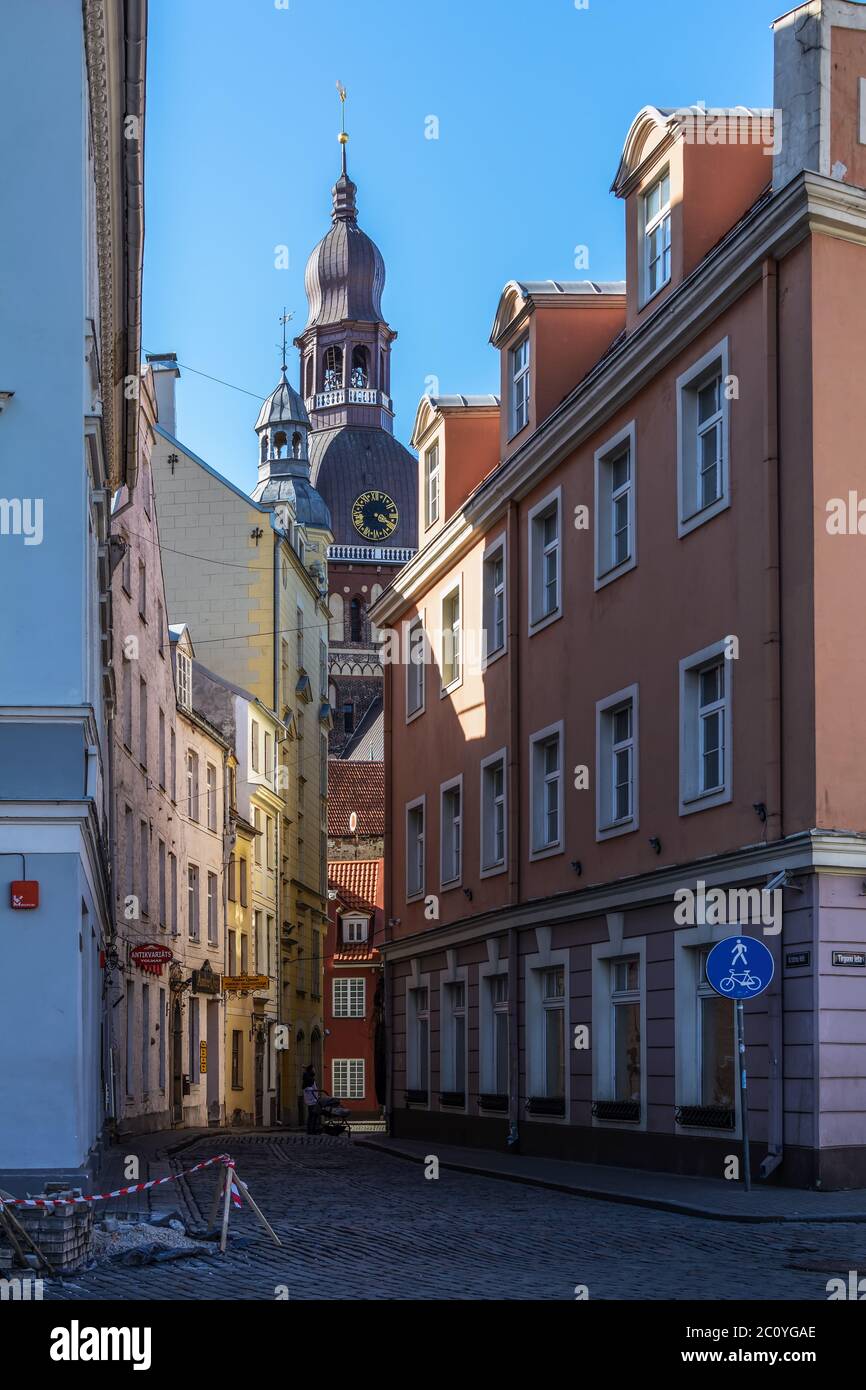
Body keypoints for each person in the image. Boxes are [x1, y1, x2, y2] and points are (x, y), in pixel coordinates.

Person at [303, 1066, 321, 1134]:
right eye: (313, 1069)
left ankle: (312, 1130)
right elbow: (309, 1089)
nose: (315, 1071)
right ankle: (311, 1130)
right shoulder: (309, 1080)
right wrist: (315, 1093)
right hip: (312, 1101)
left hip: (312, 1100)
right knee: (313, 1116)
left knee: (312, 1116)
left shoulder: (309, 1079)